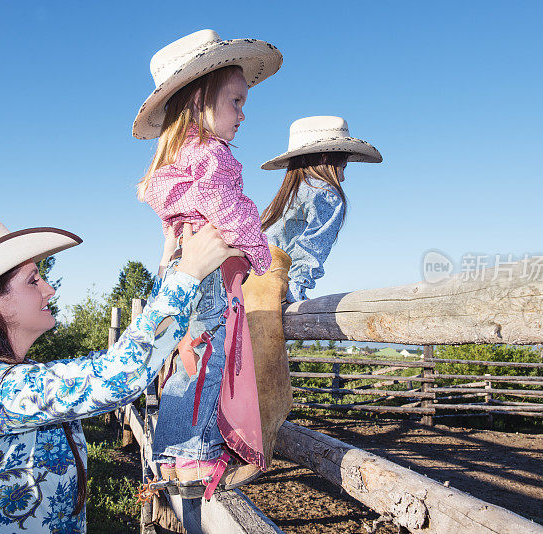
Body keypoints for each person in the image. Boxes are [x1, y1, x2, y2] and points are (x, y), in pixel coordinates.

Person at [0, 214, 240, 533]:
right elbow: (116, 376)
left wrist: (171, 261)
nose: (49, 289)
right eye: (32, 280)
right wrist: (189, 273)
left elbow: (132, 355)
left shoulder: (2, 379)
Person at [132, 29, 282, 498]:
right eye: (235, 101)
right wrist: (259, 254)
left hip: (180, 267)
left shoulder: (177, 156)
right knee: (211, 354)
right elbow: (229, 209)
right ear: (200, 100)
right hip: (211, 271)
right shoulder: (213, 153)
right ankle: (197, 454)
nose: (242, 114)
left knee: (187, 358)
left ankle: (173, 455)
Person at [239, 117, 383, 467]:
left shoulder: (287, 193)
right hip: (272, 282)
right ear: (329, 159)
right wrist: (293, 296)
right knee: (266, 378)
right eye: (343, 161)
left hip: (243, 281)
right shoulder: (330, 196)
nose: (345, 171)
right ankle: (254, 447)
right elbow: (308, 253)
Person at [260, 115, 383, 303]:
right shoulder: (326, 194)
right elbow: (311, 249)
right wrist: (296, 292)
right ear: (326, 158)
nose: (342, 178)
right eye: (343, 166)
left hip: (249, 281)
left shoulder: (288, 194)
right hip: (276, 287)